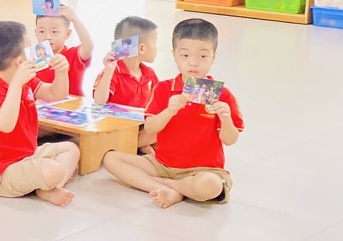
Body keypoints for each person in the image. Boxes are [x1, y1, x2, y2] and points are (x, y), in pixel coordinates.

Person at [101, 18, 244, 208]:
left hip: (204, 170)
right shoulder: (163, 89)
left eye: (203, 56)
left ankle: (170, 187)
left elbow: (230, 139)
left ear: (213, 57)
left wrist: (225, 119)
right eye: (185, 55)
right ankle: (171, 188)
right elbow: (151, 127)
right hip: (163, 165)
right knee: (111, 159)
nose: (193, 62)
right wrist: (169, 111)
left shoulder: (223, 95)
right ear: (174, 55)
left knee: (211, 185)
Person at [0, 20, 78, 206]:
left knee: (71, 149)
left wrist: (62, 72)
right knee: (53, 170)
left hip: (26, 155)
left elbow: (56, 94)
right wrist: (16, 84)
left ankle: (48, 188)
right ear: (20, 61)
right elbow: (6, 125)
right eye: (29, 49)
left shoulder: (26, 80)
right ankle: (45, 186)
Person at [93, 16, 159, 109]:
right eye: (155, 43)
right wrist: (109, 71)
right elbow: (99, 101)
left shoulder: (150, 74)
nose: (156, 48)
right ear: (141, 48)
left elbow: (159, 100)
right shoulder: (112, 72)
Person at [32, 3, 94, 96]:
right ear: (36, 32)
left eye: (54, 31)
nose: (47, 36)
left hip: (73, 104)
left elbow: (88, 47)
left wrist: (75, 20)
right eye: (41, 31)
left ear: (67, 34)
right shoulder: (33, 58)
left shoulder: (73, 54)